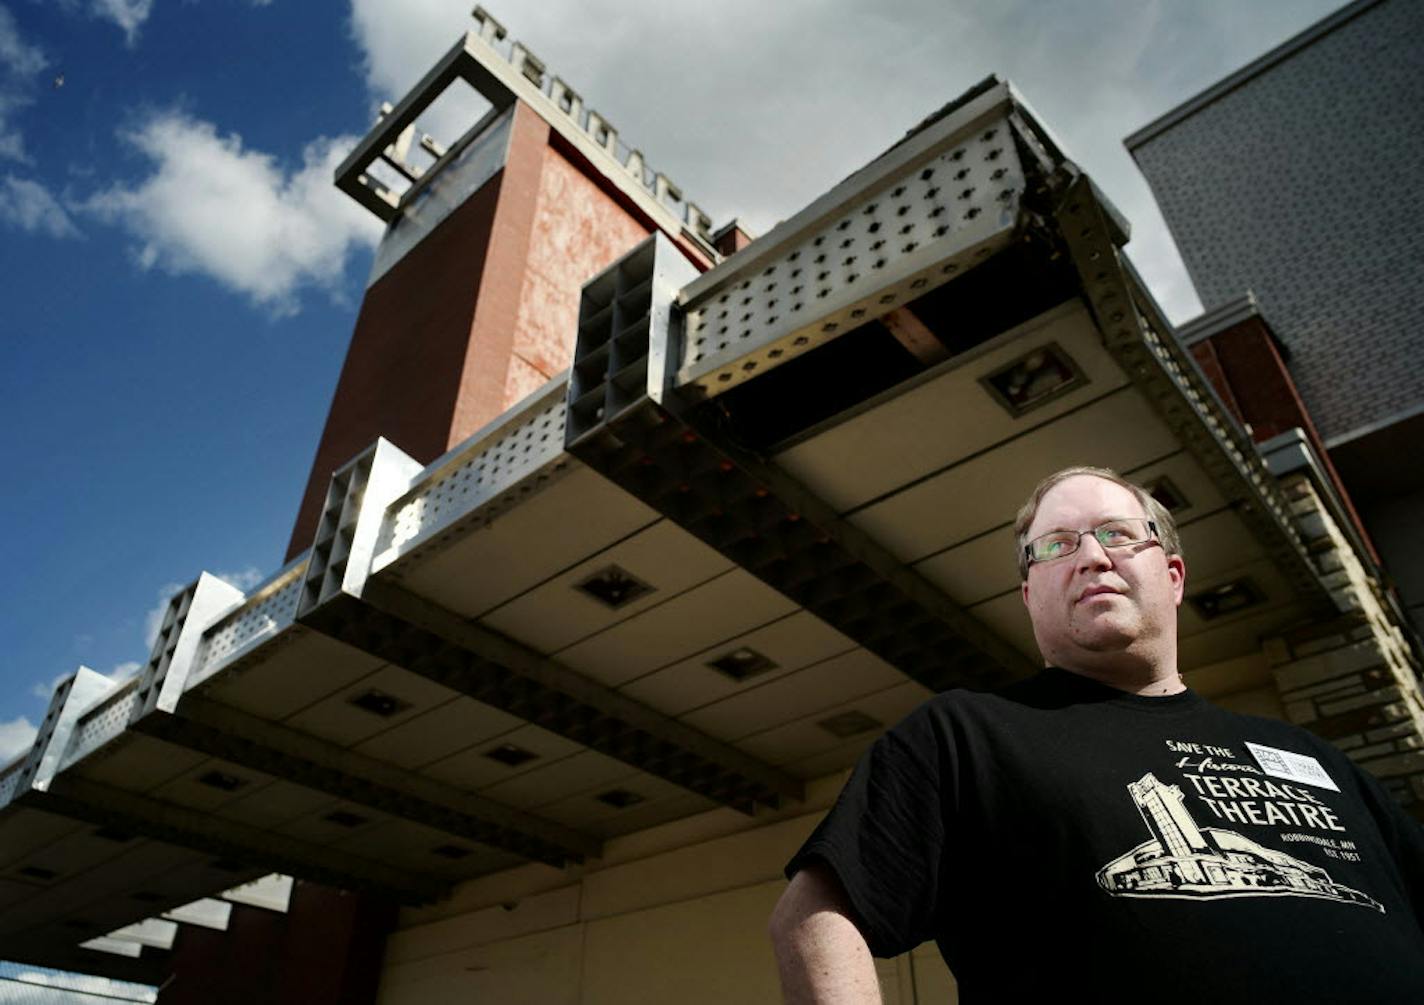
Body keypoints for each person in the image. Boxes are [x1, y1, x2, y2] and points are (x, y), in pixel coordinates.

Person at [769, 466, 1424, 1003]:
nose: (1092, 556)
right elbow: (814, 917)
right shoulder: (967, 734)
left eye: (1117, 533)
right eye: (1057, 545)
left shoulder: (1317, 759)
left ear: (1172, 576)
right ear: (1030, 594)